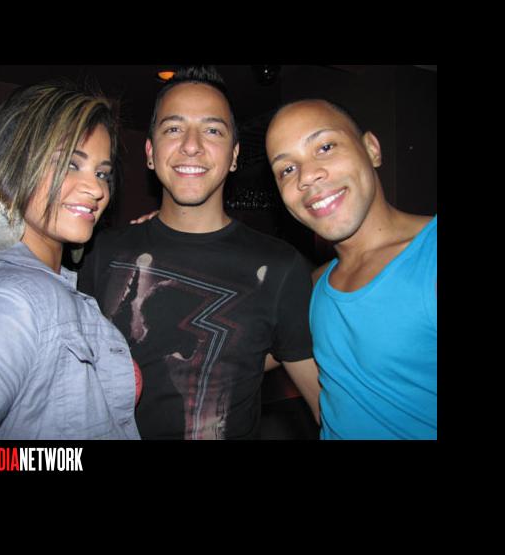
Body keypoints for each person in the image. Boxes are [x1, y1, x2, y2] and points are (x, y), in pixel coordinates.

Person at [78, 66, 320, 440]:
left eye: (212, 131)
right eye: (173, 129)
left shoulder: (280, 267)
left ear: (235, 155)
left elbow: (331, 410)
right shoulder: (99, 251)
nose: (191, 145)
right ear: (150, 152)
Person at [0, 80, 141, 440]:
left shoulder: (51, 284)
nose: (97, 189)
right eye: (70, 164)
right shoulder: (6, 306)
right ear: (12, 168)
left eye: (102, 173)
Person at [265, 99, 437, 439]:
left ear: (372, 149)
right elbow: (236, 350)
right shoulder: (315, 286)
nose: (307, 176)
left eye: (325, 147)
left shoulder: (430, 257)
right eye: (287, 169)